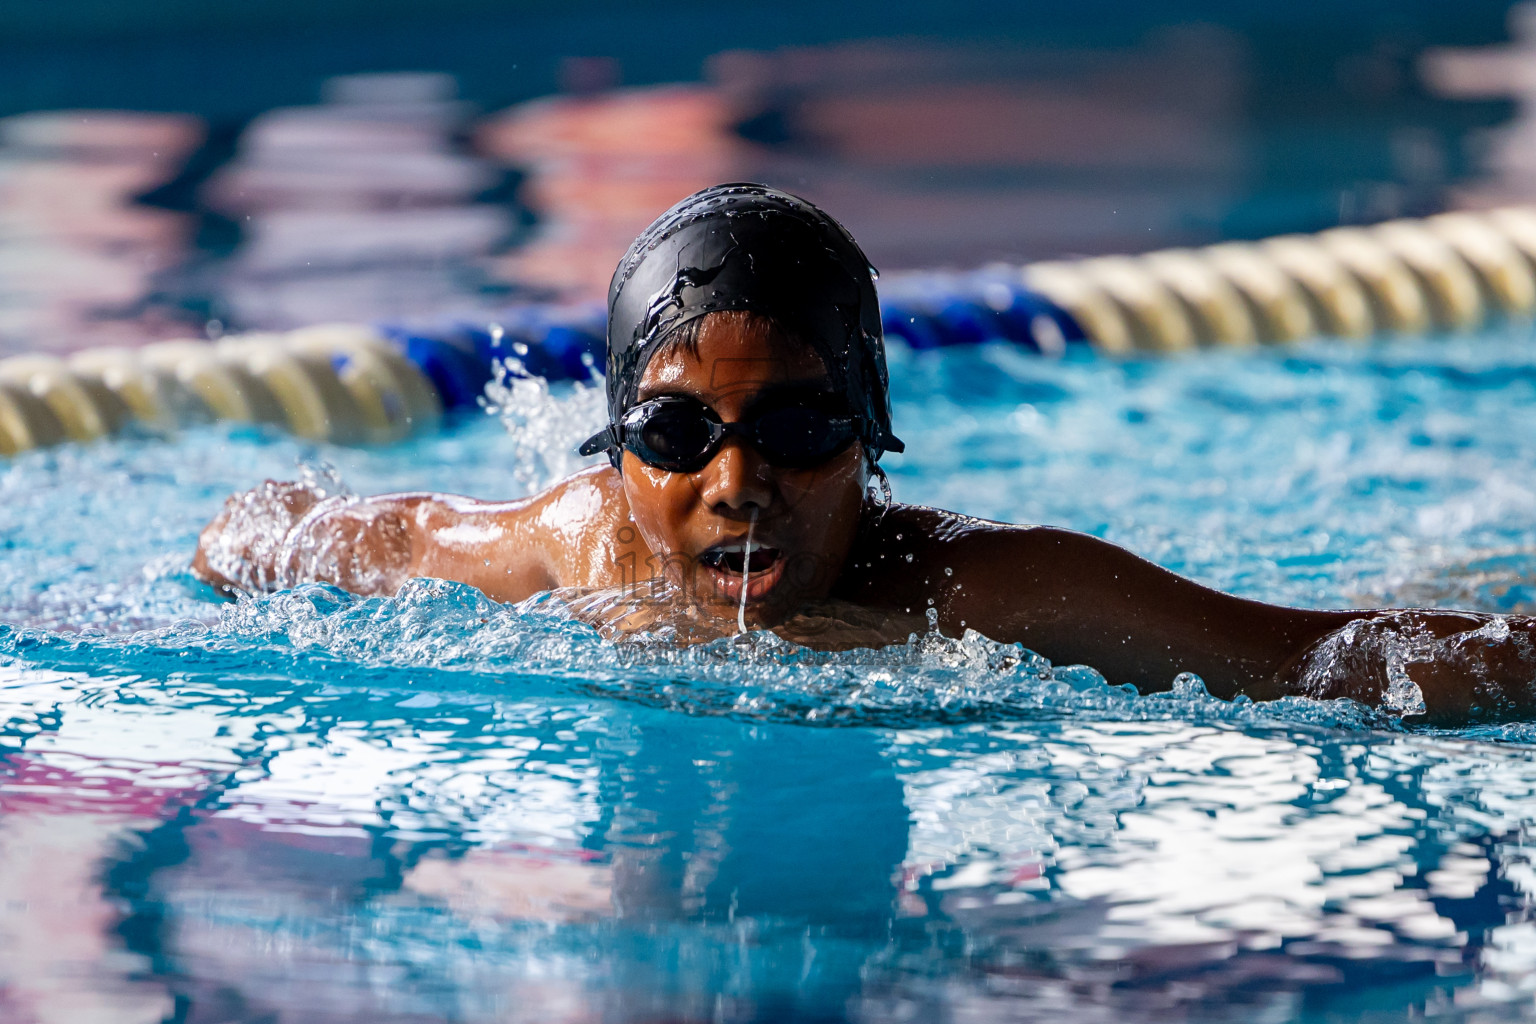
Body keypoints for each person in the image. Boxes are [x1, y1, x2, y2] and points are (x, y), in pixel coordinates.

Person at [193, 183, 1536, 722]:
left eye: (797, 424)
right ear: (619, 450)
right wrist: (248, 545)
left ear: (869, 441)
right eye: (674, 434)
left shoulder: (971, 595)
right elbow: (271, 529)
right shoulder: (569, 546)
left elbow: (1317, 660)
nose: (736, 482)